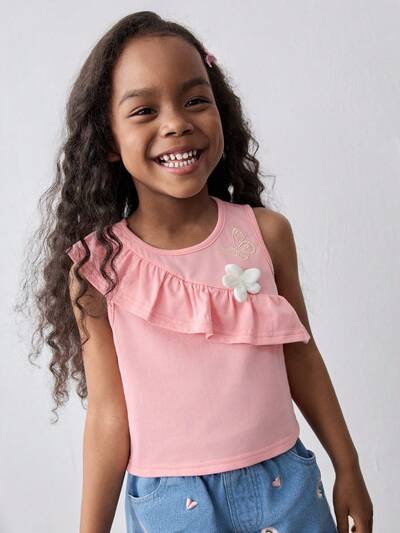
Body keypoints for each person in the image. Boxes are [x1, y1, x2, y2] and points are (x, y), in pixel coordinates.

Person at [22, 10, 373, 533]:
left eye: (194, 100)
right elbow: (109, 417)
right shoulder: (99, 269)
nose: (176, 123)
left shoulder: (265, 235)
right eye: (144, 110)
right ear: (109, 141)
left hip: (287, 491)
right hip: (170, 506)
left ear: (220, 111)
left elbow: (302, 356)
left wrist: (349, 465)